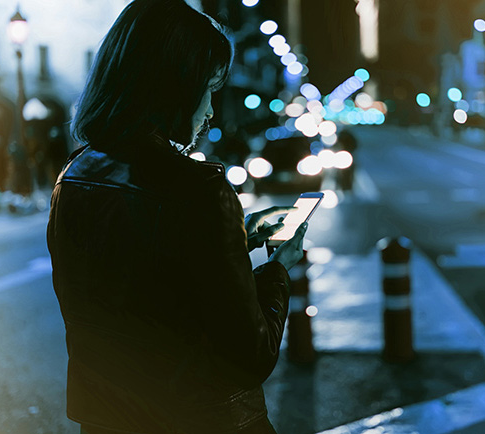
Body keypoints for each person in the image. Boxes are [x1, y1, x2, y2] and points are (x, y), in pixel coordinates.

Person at [47, 1, 307, 433]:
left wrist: (235, 239)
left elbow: (141, 278)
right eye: (207, 91)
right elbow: (251, 356)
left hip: (106, 419)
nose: (209, 114)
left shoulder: (73, 176)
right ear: (175, 88)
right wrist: (279, 268)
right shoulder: (198, 189)